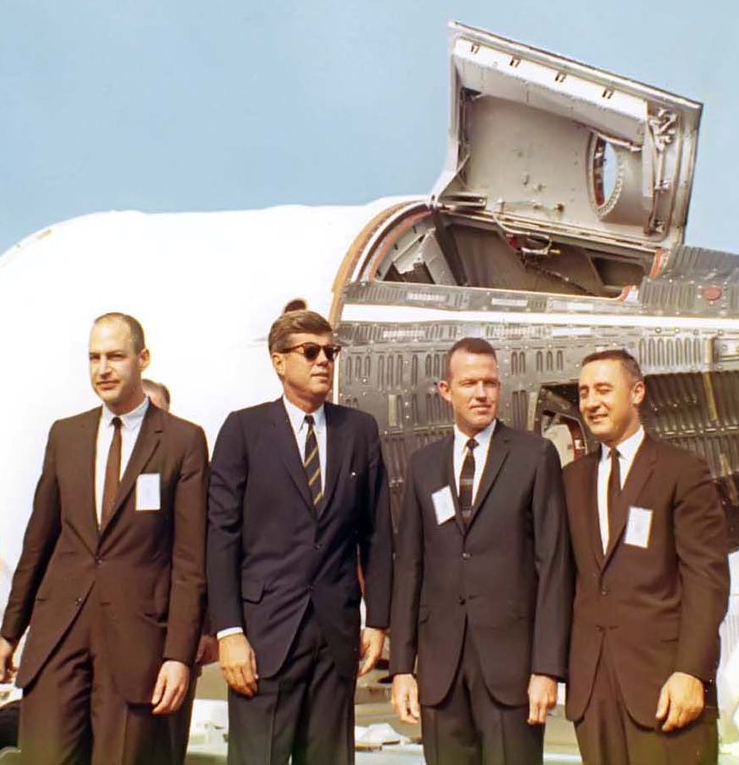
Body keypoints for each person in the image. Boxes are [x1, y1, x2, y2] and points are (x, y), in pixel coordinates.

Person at [0, 313, 208, 764]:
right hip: (60, 632)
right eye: (94, 358)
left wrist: (178, 655)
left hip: (136, 642)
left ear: (142, 359)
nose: (103, 369)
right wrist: (10, 631)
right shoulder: (66, 435)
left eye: (115, 357)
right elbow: (38, 542)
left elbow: (189, 561)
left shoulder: (182, 441)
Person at [206, 308, 392, 765]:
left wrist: (377, 620)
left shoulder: (359, 431)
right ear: (278, 361)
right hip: (263, 639)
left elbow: (377, 534)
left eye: (330, 351)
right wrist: (229, 632)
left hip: (334, 638)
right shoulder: (244, 431)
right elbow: (221, 537)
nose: (323, 360)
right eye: (310, 352)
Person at [389, 336, 571, 764]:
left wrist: (546, 668)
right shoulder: (423, 465)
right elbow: (410, 568)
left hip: (511, 671)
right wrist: (401, 668)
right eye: (469, 383)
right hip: (441, 672)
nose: (481, 393)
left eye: (490, 383)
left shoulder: (534, 456)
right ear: (446, 390)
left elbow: (554, 566)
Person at [563, 349, 728, 764]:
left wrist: (691, 671)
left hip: (665, 688)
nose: (591, 402)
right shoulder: (570, 480)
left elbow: (706, 580)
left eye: (604, 389)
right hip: (594, 695)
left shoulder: (682, 472)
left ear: (637, 392)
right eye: (584, 393)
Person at [142, 377, 218, 763]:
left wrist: (206, 630)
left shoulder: (189, 468)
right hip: (129, 635)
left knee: (167, 747)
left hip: (178, 636)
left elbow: (206, 557)